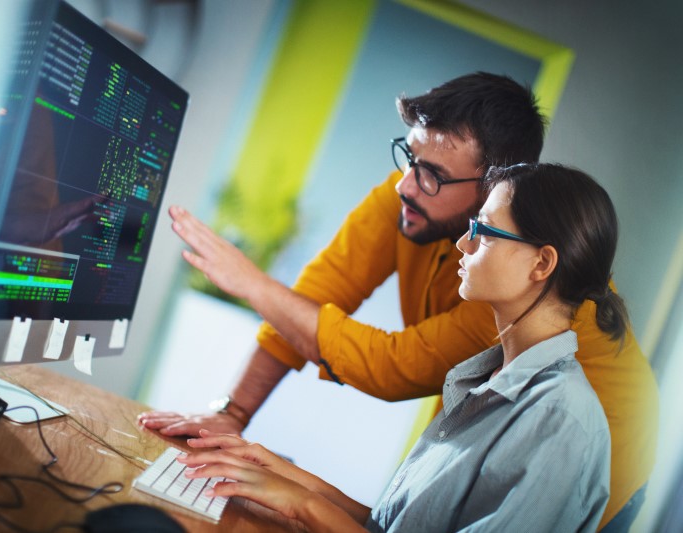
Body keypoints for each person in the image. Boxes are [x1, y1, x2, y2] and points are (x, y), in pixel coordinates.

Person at [137, 73, 658, 529]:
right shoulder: (420, 204)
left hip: (595, 461)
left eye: (434, 175)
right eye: (411, 158)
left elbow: (391, 368)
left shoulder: (521, 296)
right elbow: (311, 300)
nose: (406, 185)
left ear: (493, 191)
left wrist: (252, 283)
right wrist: (236, 417)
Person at [167, 163, 617, 531]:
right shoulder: (487, 377)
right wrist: (281, 474)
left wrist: (303, 504)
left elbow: (386, 364)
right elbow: (394, 525)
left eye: (484, 230)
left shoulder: (561, 422)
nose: (464, 243)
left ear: (541, 263)